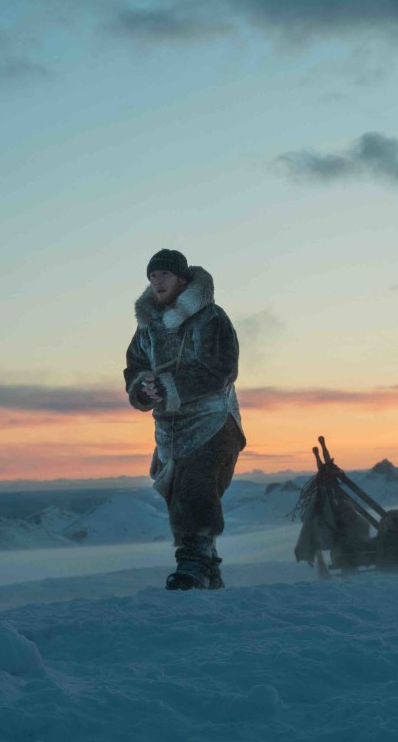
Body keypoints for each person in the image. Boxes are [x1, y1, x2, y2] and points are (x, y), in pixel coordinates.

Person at [124, 249, 246, 589]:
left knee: (196, 488)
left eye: (164, 274)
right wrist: (143, 390)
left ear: (182, 279)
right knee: (176, 494)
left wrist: (170, 385)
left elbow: (223, 369)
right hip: (169, 428)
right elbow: (134, 365)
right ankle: (209, 571)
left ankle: (192, 565)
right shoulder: (147, 327)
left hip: (213, 422)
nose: (157, 280)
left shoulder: (211, 318)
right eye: (152, 276)